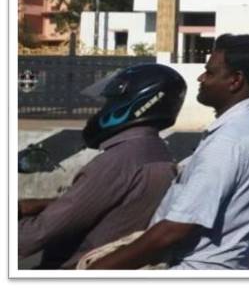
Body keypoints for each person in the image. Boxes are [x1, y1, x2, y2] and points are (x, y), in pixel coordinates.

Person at [88, 34, 249, 270]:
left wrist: (98, 270)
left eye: (210, 72)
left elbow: (173, 230)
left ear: (235, 80)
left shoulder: (228, 140)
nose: (201, 78)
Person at [19, 64, 186, 269]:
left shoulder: (119, 160)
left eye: (110, 102)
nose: (102, 110)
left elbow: (39, 233)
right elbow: (97, 203)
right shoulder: (159, 153)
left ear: (136, 103)